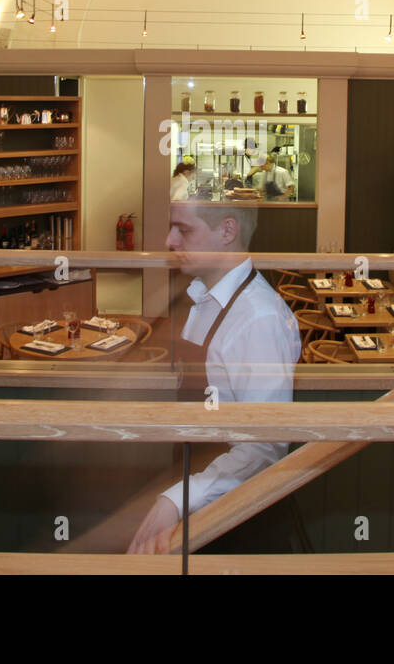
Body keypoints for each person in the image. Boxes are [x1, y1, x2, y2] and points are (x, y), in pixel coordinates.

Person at [127, 202, 300, 554]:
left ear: (227, 231)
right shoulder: (203, 297)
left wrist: (177, 500)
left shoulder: (259, 319)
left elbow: (264, 449)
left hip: (237, 526)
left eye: (184, 230)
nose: (170, 240)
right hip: (196, 499)